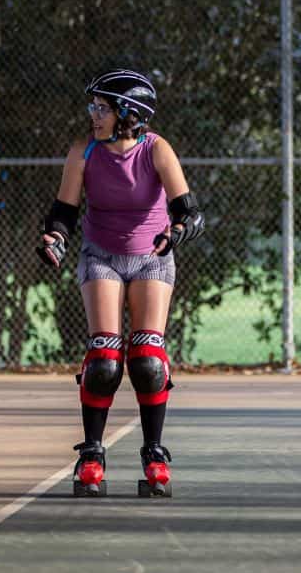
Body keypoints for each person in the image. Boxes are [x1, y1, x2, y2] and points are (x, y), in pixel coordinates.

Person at [37, 69, 203, 498]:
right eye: (93, 107)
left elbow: (190, 212)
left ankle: (154, 455)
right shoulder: (85, 150)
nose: (93, 115)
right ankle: (91, 455)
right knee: (104, 359)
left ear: (128, 113)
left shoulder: (156, 149)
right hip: (100, 256)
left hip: (152, 258)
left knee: (148, 359)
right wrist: (55, 238)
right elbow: (65, 211)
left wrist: (176, 233)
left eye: (102, 108)